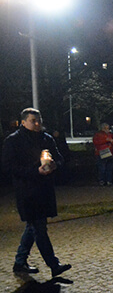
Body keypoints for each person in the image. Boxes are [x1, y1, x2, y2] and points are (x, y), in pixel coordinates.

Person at [2, 108, 71, 278]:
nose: (37, 123)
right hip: (27, 190)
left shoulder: (46, 138)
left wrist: (54, 165)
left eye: (39, 120)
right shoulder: (13, 141)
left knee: (33, 226)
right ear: (23, 122)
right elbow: (9, 166)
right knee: (39, 227)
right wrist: (35, 172)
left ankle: (20, 262)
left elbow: (59, 158)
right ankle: (53, 265)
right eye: (33, 121)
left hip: (44, 189)